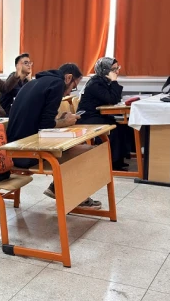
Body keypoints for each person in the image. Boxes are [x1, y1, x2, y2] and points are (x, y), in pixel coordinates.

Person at [7, 63, 101, 209]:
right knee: (87, 152)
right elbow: (45, 126)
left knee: (77, 148)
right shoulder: (57, 84)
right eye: (73, 87)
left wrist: (61, 120)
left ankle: (58, 188)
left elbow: (41, 121)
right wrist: (65, 122)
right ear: (68, 78)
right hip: (26, 151)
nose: (69, 93)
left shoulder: (37, 81)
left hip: (17, 145)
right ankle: (75, 197)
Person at [76, 57, 134, 170]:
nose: (117, 71)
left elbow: (115, 99)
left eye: (117, 68)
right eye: (114, 69)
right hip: (88, 117)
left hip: (99, 115)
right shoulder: (95, 83)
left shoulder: (104, 81)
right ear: (105, 70)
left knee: (124, 127)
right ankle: (111, 163)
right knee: (113, 130)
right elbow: (112, 99)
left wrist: (113, 82)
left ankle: (118, 160)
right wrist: (114, 81)